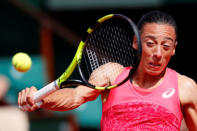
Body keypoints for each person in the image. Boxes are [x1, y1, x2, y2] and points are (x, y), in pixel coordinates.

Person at [18, 10, 197, 130]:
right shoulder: (112, 74)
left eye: (166, 46)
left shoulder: (185, 87)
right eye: (150, 44)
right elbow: (74, 97)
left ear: (173, 49)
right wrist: (40, 99)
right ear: (136, 42)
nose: (158, 53)